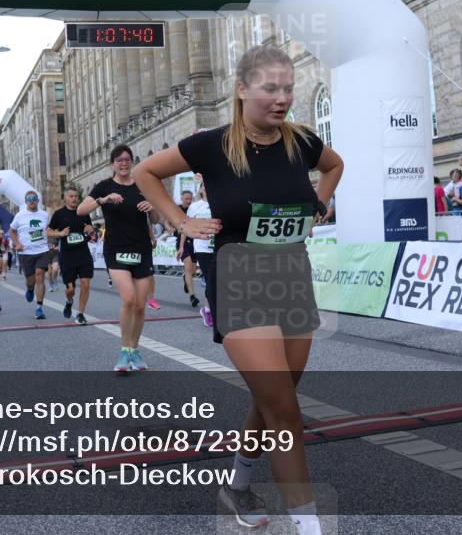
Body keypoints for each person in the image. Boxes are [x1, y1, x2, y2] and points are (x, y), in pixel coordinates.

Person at [135, 44, 344, 535]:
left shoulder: (303, 142)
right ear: (242, 88)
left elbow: (335, 167)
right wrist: (181, 221)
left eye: (288, 88)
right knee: (285, 410)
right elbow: (147, 173)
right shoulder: (211, 145)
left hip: (293, 276)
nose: (282, 99)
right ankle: (309, 527)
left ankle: (238, 484)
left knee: (275, 397)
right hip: (239, 278)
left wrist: (317, 204)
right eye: (270, 88)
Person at [77, 145, 156, 373]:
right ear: (112, 163)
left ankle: (135, 350)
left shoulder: (142, 184)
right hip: (116, 250)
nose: (124, 163)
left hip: (141, 248)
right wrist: (103, 200)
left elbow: (158, 217)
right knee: (129, 299)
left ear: (132, 162)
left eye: (127, 159)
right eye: (119, 160)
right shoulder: (105, 186)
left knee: (140, 306)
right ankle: (123, 351)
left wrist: (152, 208)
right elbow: (82, 210)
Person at [48, 186, 94, 325]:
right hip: (67, 256)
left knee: (85, 284)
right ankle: (69, 301)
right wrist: (60, 234)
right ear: (65, 198)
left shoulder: (83, 212)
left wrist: (90, 230)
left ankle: (80, 314)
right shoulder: (59, 214)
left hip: (83, 254)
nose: (74, 199)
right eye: (71, 196)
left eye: (76, 196)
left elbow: (90, 231)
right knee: (70, 289)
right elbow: (48, 232)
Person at [9, 191, 52, 320]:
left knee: (40, 275)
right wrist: (17, 243)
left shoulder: (44, 215)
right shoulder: (20, 215)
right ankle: (29, 289)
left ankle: (39, 307)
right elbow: (11, 231)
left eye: (34, 198)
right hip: (26, 252)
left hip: (42, 250)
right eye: (29, 199)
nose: (32, 200)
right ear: (26, 201)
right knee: (30, 281)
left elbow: (49, 230)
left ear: (38, 200)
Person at [181, 181, 214, 326]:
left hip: (218, 245)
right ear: (200, 189)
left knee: (218, 280)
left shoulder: (219, 202)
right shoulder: (194, 207)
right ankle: (208, 310)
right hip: (202, 247)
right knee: (210, 279)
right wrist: (181, 246)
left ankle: (210, 308)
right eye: (204, 185)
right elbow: (185, 227)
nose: (207, 187)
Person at [175, 189, 200, 309]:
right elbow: (167, 222)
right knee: (188, 267)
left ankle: (186, 278)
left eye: (190, 199)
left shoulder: (195, 208)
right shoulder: (177, 209)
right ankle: (192, 296)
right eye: (186, 199)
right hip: (182, 241)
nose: (189, 201)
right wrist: (170, 227)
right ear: (182, 199)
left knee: (192, 271)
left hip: (194, 241)